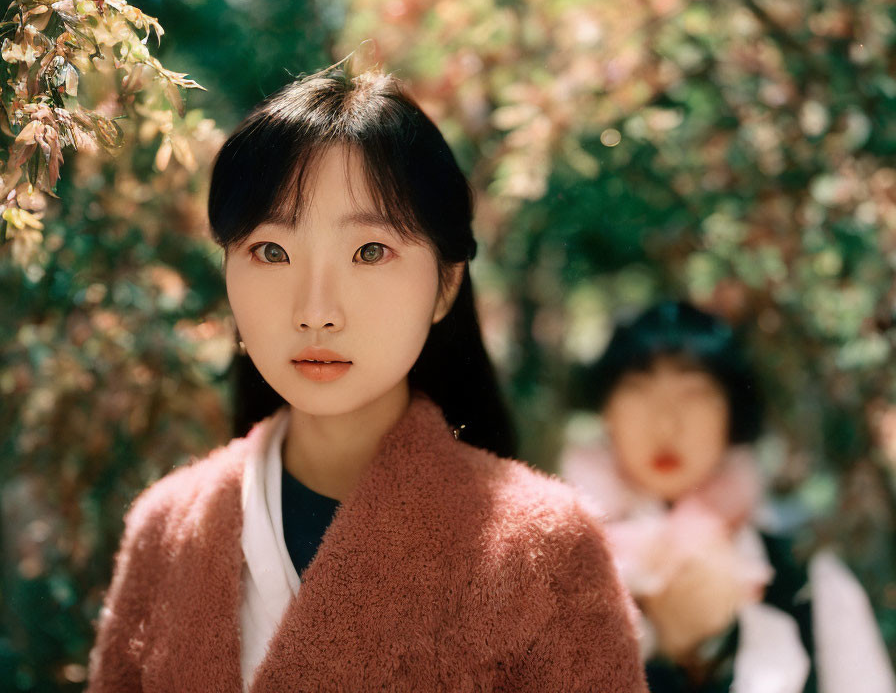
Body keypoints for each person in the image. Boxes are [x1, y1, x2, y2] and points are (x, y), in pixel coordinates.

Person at [86, 61, 647, 692]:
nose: (317, 312)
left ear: (445, 284)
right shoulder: (166, 529)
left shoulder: (547, 548)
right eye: (271, 251)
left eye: (369, 251)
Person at [560, 300, 896, 693]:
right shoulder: (556, 567)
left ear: (732, 414)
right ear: (606, 410)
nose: (666, 423)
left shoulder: (808, 580)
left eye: (694, 393)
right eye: (638, 390)